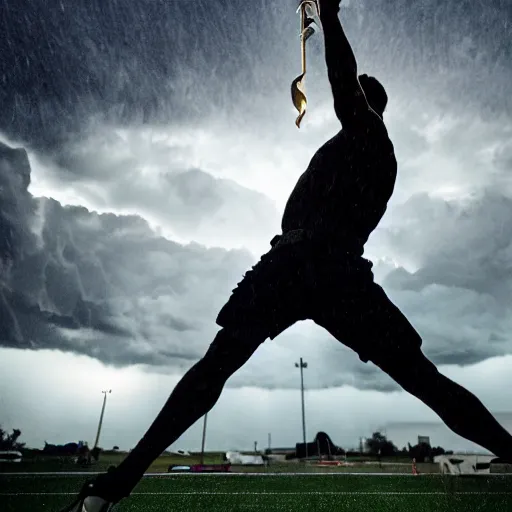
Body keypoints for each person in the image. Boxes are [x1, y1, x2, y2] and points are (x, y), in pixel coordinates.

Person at [62, 1, 512, 510]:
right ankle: (109, 491)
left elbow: (344, 86)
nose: (349, 96)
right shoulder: (352, 147)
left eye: (358, 94)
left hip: (327, 268)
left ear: (369, 104)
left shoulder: (369, 136)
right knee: (220, 368)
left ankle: (110, 490)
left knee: (417, 378)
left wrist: (332, 17)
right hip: (299, 268)